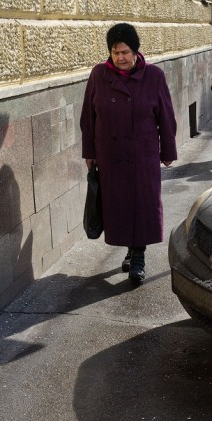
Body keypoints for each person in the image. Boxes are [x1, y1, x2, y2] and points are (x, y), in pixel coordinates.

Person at [80, 23, 177, 283]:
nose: (120, 58)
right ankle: (130, 249)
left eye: (125, 52)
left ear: (135, 52)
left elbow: (166, 116)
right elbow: (88, 117)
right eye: (115, 52)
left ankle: (138, 256)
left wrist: (167, 149)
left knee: (141, 205)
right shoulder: (99, 74)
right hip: (110, 155)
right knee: (119, 207)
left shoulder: (153, 76)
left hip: (142, 154)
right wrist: (89, 150)